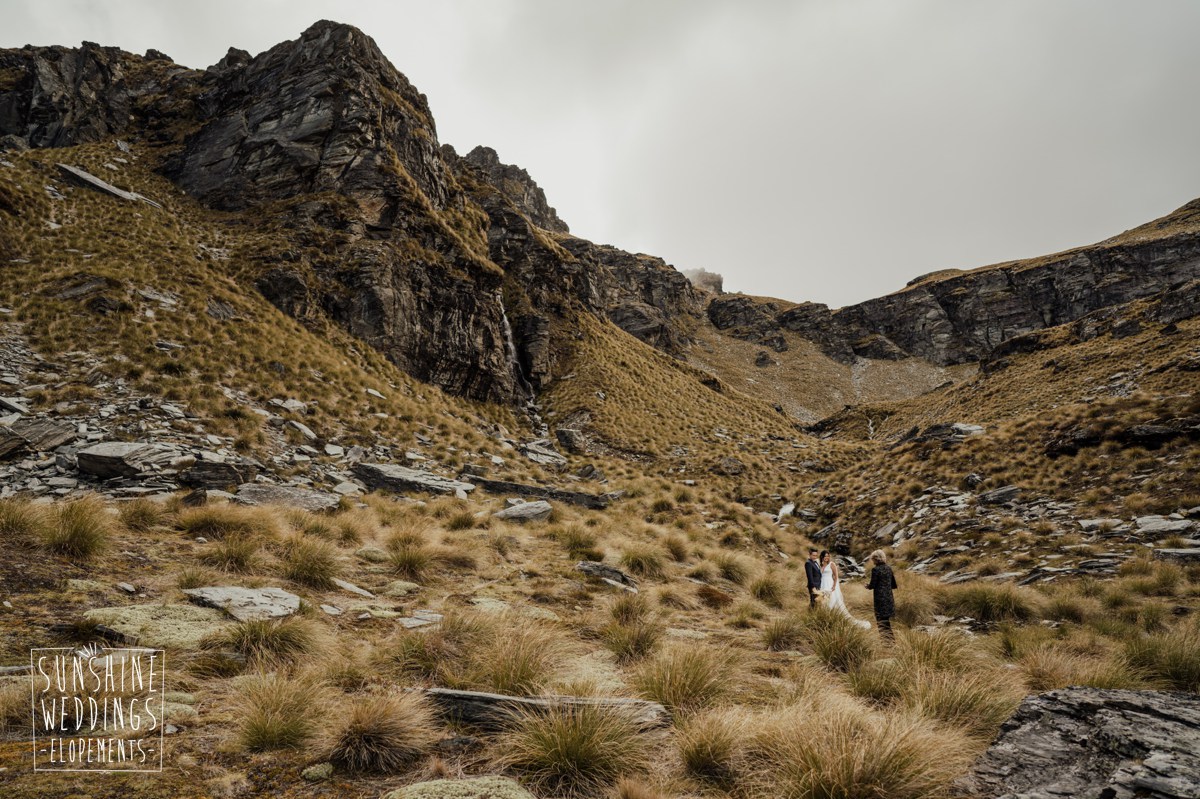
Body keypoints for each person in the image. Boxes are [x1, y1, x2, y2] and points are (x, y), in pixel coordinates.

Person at [819, 551, 871, 629]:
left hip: (829, 584)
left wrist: (834, 586)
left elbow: (836, 576)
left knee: (831, 601)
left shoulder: (831, 564)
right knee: (824, 602)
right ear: (822, 556)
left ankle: (835, 619)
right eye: (825, 556)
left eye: (828, 556)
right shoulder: (821, 565)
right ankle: (826, 619)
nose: (827, 557)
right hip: (822, 585)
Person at [866, 549, 898, 640]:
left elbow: (872, 585)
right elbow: (894, 585)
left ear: (876, 559)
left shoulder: (875, 570)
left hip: (880, 599)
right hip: (889, 598)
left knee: (881, 621)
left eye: (873, 559)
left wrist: (868, 586)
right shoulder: (889, 568)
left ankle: (887, 641)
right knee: (886, 621)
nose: (872, 561)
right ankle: (890, 640)